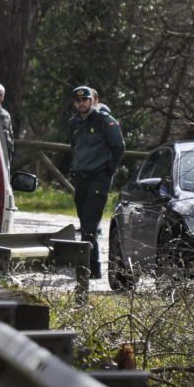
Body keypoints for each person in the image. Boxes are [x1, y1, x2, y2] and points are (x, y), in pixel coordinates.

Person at [68, 85, 125, 279]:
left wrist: (108, 170)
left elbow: (119, 147)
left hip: (99, 177)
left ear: (94, 101)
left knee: (90, 223)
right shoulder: (74, 123)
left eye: (85, 100)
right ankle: (92, 267)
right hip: (81, 177)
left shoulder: (104, 121)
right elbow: (75, 147)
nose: (82, 104)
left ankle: (87, 268)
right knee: (85, 222)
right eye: (78, 101)